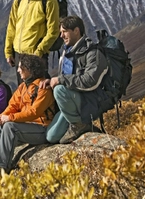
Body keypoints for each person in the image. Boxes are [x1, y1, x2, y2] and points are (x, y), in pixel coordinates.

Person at [44, 15, 108, 144]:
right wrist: (52, 80)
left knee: (59, 90)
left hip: (89, 101)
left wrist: (61, 80)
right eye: (61, 32)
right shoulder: (67, 52)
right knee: (51, 136)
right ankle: (83, 126)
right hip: (72, 101)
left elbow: (90, 81)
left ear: (76, 31)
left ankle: (79, 125)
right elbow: (66, 76)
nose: (61, 36)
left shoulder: (92, 52)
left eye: (64, 31)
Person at [0, 54, 56, 174]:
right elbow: (13, 106)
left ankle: (2, 168)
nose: (18, 70)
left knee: (10, 127)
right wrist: (2, 116)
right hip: (27, 127)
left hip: (42, 129)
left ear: (29, 69)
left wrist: (9, 118)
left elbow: (34, 112)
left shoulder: (43, 88)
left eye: (21, 67)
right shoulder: (23, 87)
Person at [4, 0, 60, 84]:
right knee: (23, 89)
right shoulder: (18, 0)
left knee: (38, 90)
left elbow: (54, 31)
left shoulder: (49, 0)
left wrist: (39, 52)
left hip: (36, 54)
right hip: (19, 54)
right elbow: (11, 27)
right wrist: (9, 52)